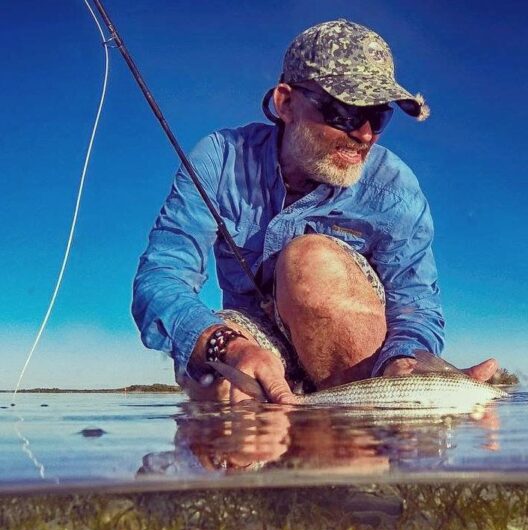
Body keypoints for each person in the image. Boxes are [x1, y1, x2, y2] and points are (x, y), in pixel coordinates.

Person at [132, 19, 497, 404]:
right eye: (346, 112)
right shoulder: (219, 159)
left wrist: (405, 363)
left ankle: (355, 450)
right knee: (220, 381)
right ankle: (278, 454)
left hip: (358, 359)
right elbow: (161, 276)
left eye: (379, 116)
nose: (366, 134)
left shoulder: (395, 188)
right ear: (285, 103)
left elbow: (416, 303)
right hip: (255, 337)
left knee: (309, 261)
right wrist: (228, 346)